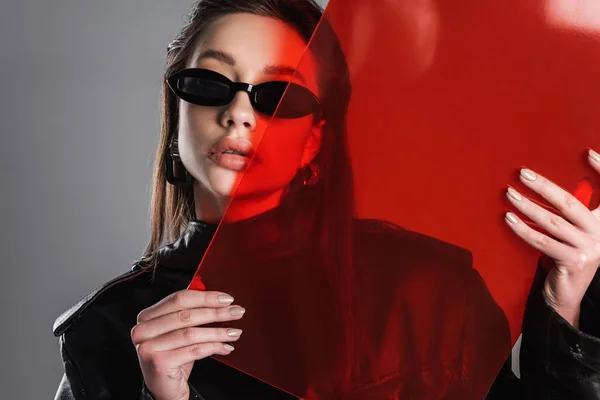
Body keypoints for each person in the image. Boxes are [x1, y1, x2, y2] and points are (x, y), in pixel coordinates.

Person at [52, 0, 600, 399]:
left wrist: (565, 306)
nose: (240, 113)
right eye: (212, 82)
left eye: (278, 95)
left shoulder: (428, 289)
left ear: (315, 137)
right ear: (177, 114)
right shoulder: (105, 331)